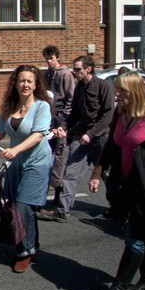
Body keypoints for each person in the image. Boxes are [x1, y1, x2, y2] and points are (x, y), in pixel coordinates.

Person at [0, 65, 53, 272]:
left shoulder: (42, 107)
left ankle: (24, 251)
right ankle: (32, 244)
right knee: (20, 206)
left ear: (36, 85)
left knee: (23, 206)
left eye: (29, 81)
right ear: (15, 83)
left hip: (37, 162)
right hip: (16, 164)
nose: (25, 84)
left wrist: (15, 150)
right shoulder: (10, 106)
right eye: (21, 80)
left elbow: (38, 135)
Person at [88, 72, 145, 290]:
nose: (117, 95)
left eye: (122, 92)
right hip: (128, 185)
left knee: (136, 237)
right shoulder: (120, 113)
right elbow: (112, 147)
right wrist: (97, 174)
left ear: (134, 92)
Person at [39, 56, 114, 222]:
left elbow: (108, 115)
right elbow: (74, 114)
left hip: (99, 138)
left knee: (107, 175)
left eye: (78, 69)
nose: (75, 72)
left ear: (89, 69)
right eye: (74, 69)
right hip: (81, 138)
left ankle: (117, 208)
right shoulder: (79, 88)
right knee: (70, 173)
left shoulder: (104, 86)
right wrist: (63, 127)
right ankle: (62, 211)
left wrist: (92, 134)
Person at [42, 45, 75, 203]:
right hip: (50, 114)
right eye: (47, 59)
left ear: (57, 57)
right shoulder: (47, 74)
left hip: (60, 115)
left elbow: (70, 97)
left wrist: (64, 118)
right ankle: (51, 185)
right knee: (48, 152)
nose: (49, 61)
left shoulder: (66, 74)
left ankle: (58, 189)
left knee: (58, 155)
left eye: (51, 58)